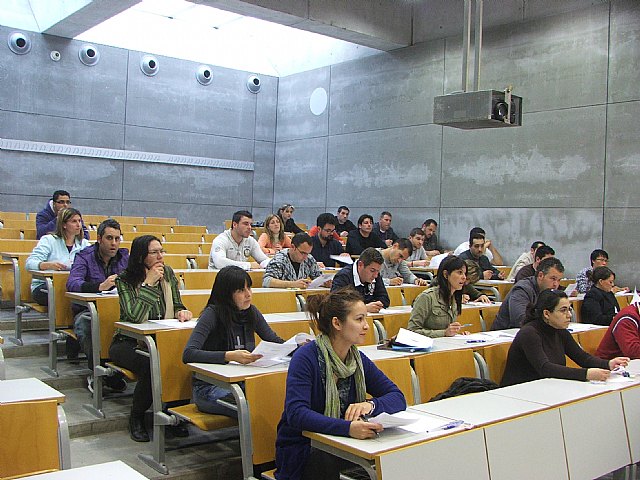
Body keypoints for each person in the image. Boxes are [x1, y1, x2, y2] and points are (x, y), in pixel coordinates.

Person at [274, 287, 406, 480]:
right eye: (359, 319)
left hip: (346, 445)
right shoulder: (306, 358)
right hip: (304, 449)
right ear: (337, 323)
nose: (366, 326)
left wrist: (370, 405)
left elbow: (398, 397)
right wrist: (347, 428)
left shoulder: (357, 359)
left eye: (366, 319)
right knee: (327, 462)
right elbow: (296, 414)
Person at [109, 235, 193, 442]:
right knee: (151, 363)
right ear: (141, 256)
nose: (160, 256)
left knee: (181, 358)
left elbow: (177, 304)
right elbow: (134, 316)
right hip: (128, 342)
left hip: (160, 339)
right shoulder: (124, 280)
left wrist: (182, 312)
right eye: (154, 252)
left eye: (161, 251)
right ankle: (136, 417)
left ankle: (173, 414)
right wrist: (148, 284)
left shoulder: (168, 273)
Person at [183, 266, 284, 416]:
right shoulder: (212, 314)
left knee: (278, 398)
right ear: (227, 294)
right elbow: (189, 354)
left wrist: (298, 347)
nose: (248, 294)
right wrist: (229, 356)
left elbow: (274, 340)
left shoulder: (251, 311)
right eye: (241, 290)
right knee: (256, 407)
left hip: (241, 383)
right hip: (210, 387)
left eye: (249, 288)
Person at [501, 289, 628, 387]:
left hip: (547, 387)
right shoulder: (529, 333)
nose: (569, 315)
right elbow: (545, 368)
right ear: (547, 314)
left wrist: (608, 363)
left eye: (569, 309)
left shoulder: (560, 330)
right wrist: (586, 374)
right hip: (521, 391)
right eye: (563, 310)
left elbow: (583, 358)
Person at [66, 219, 129, 391]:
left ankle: (115, 371)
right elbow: (72, 283)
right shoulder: (84, 256)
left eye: (117, 239)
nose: (114, 243)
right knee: (86, 324)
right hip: (88, 310)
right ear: (99, 239)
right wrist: (99, 286)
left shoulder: (124, 257)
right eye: (109, 238)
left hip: (118, 309)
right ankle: (98, 372)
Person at [26, 207, 90, 306]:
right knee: (65, 293)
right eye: (74, 221)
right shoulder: (48, 240)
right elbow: (29, 264)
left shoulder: (84, 244)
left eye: (79, 221)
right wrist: (48, 265)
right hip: (45, 285)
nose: (78, 225)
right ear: (64, 224)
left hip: (72, 283)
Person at [491, 257, 565, 331]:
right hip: (508, 333)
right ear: (540, 275)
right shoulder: (522, 289)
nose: (556, 284)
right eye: (553, 279)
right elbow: (520, 320)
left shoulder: (549, 291)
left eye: (559, 280)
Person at [407, 256, 469, 338]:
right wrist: (444, 333)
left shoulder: (455, 298)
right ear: (446, 274)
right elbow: (412, 331)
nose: (464, 277)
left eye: (465, 273)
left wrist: (457, 333)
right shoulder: (427, 297)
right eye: (460, 272)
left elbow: (447, 330)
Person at [331, 248, 389, 313]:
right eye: (372, 270)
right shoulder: (343, 277)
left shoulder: (375, 274)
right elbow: (336, 304)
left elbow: (385, 299)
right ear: (360, 265)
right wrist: (364, 308)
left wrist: (377, 305)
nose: (375, 275)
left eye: (378, 271)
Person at [263, 233, 330, 289]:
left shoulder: (309, 259)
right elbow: (266, 281)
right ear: (293, 247)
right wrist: (293, 284)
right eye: (302, 253)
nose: (305, 257)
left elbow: (318, 277)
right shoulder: (279, 259)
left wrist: (324, 283)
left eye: (307, 253)